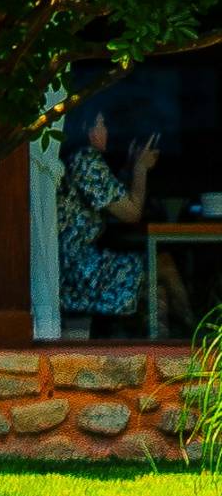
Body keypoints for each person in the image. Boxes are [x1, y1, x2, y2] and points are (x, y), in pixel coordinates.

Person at [59, 108, 166, 336]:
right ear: (89, 131)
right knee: (162, 266)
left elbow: (114, 200)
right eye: (102, 124)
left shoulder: (82, 160)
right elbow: (131, 212)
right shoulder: (86, 162)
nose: (106, 130)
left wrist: (130, 168)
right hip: (77, 270)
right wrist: (140, 169)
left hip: (75, 263)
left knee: (158, 272)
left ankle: (170, 337)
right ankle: (190, 333)